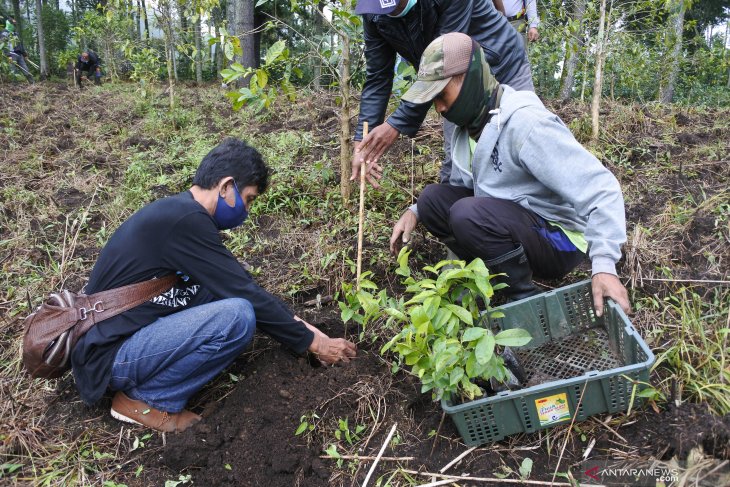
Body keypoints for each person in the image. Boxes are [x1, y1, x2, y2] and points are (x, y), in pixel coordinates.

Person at [71, 138, 357, 433]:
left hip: (109, 350)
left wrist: (308, 331)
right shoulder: (184, 221)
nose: (247, 210)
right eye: (248, 199)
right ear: (226, 186)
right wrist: (316, 343)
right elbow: (245, 295)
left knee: (214, 294)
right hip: (109, 357)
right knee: (237, 316)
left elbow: (238, 285)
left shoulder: (179, 214)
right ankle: (146, 401)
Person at [389, 33, 631, 317]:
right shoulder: (467, 126)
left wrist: (604, 266)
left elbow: (601, 188)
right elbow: (461, 187)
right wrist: (416, 211)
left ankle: (524, 301)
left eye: (442, 95)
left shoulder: (526, 124)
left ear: (471, 79)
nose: (440, 108)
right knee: (432, 200)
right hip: (517, 221)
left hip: (560, 240)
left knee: (468, 214)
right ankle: (489, 275)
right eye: (434, 101)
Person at [351, 0, 535, 187]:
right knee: (458, 165)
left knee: (523, 143)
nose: (391, 12)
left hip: (503, 66)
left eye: (395, 5)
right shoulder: (373, 15)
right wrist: (362, 142)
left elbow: (445, 60)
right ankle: (457, 210)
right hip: (450, 84)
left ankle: (534, 210)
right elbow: (378, 77)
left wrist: (395, 125)